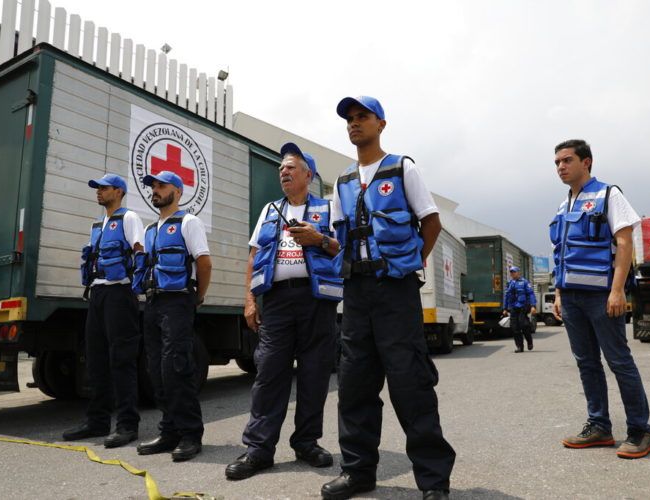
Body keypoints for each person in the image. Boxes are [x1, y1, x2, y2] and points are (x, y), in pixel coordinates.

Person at [321, 96, 455, 500]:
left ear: (381, 124)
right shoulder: (342, 181)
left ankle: (433, 481)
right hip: (356, 293)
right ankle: (358, 472)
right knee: (355, 386)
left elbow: (431, 222)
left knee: (410, 384)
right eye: (349, 119)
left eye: (362, 117)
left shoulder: (401, 168)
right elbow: (341, 237)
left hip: (395, 292)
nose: (354, 124)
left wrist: (407, 264)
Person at [225, 143, 343, 480]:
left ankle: (306, 442)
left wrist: (319, 239)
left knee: (314, 374)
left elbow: (343, 250)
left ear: (309, 174)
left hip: (316, 302)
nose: (284, 171)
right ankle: (259, 450)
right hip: (276, 302)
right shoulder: (268, 210)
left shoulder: (329, 209)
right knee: (269, 374)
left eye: (291, 166)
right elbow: (253, 257)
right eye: (281, 168)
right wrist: (250, 300)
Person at [551, 139, 650, 459]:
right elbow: (561, 253)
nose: (561, 167)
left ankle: (640, 431)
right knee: (587, 364)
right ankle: (599, 426)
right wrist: (557, 293)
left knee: (619, 362)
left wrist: (617, 289)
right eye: (557, 162)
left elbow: (625, 244)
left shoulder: (609, 195)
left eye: (567, 160)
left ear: (587, 162)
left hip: (602, 296)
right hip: (571, 299)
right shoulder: (563, 205)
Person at [132, 170, 211, 462]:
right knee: (156, 370)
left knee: (177, 368)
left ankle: (191, 434)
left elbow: (204, 263)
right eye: (152, 186)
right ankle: (169, 431)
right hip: (152, 303)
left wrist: (197, 297)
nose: (155, 189)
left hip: (178, 301)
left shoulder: (189, 223)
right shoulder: (151, 229)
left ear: (177, 191)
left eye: (161, 185)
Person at [63, 174, 144, 448]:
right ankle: (97, 421)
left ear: (119, 192)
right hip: (97, 294)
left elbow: (140, 253)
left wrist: (134, 287)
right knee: (95, 359)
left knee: (121, 359)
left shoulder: (129, 218)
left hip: (119, 293)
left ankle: (127, 425)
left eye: (104, 188)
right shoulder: (97, 225)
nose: (99, 192)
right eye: (96, 188)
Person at [502, 266, 537, 353]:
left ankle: (529, 341)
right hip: (513, 307)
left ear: (518, 272)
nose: (512, 273)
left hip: (523, 306)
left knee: (524, 325)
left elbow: (531, 294)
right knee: (515, 328)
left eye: (514, 272)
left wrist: (533, 306)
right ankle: (519, 347)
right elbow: (506, 296)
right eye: (511, 272)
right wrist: (505, 308)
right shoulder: (509, 283)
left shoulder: (524, 282)